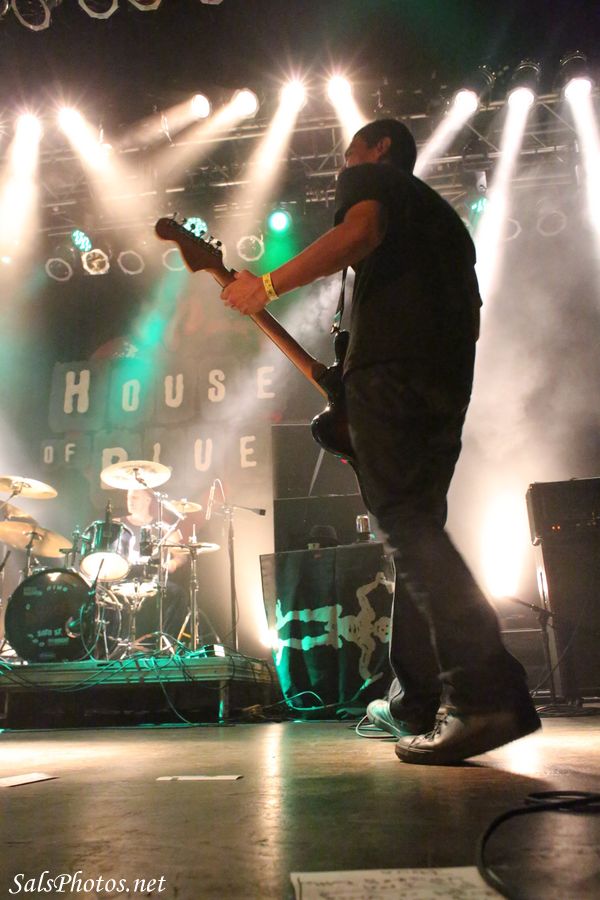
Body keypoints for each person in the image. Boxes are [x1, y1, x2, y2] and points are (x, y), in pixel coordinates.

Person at [220, 118, 540, 765]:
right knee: (417, 533)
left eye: (349, 157)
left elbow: (358, 231)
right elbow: (461, 325)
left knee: (405, 526)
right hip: (441, 388)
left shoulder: (377, 183)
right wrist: (274, 323)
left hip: (393, 378)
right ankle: (421, 698)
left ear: (379, 150)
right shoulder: (443, 230)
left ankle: (484, 693)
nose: (345, 170)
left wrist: (268, 285)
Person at [115, 488, 188, 641]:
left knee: (178, 594)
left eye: (135, 497)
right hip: (124, 579)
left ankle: (166, 642)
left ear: (148, 500)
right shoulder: (118, 524)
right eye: (128, 497)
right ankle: (117, 642)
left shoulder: (163, 527)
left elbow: (181, 556)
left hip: (152, 580)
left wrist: (172, 563)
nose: (130, 501)